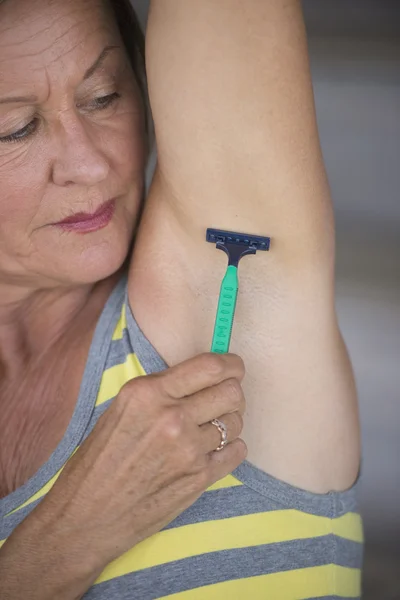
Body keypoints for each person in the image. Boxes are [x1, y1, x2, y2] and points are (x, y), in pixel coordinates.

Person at [0, 0, 363, 598]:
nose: (89, 164)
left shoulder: (200, 288)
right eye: (16, 127)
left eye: (103, 96)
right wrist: (63, 544)